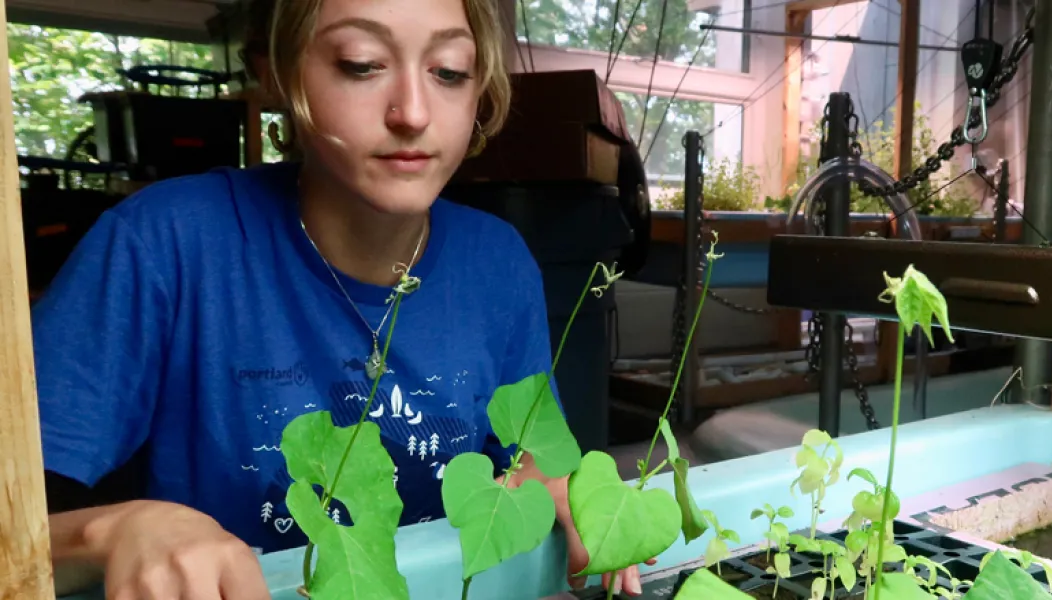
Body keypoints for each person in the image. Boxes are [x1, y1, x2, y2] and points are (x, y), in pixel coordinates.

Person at [35, 0, 650, 597]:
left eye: (450, 71)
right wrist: (113, 531)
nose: (412, 111)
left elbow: (528, 463)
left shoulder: (499, 262)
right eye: (360, 63)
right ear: (276, 72)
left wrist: (559, 494)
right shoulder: (164, 242)